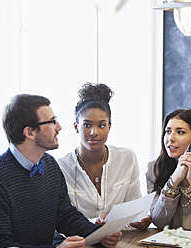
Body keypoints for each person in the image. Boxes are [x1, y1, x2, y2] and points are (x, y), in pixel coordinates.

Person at [0, 94, 121, 248]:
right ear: (29, 132)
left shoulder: (49, 164)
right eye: (52, 122)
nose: (59, 127)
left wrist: (99, 234)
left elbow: (65, 215)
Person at [58, 83, 151, 229]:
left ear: (109, 126)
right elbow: (60, 221)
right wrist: (95, 223)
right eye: (87, 125)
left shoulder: (127, 158)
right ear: (76, 126)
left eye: (101, 125)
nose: (94, 132)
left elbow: (135, 207)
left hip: (121, 240)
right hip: (81, 243)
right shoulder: (60, 167)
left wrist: (140, 218)